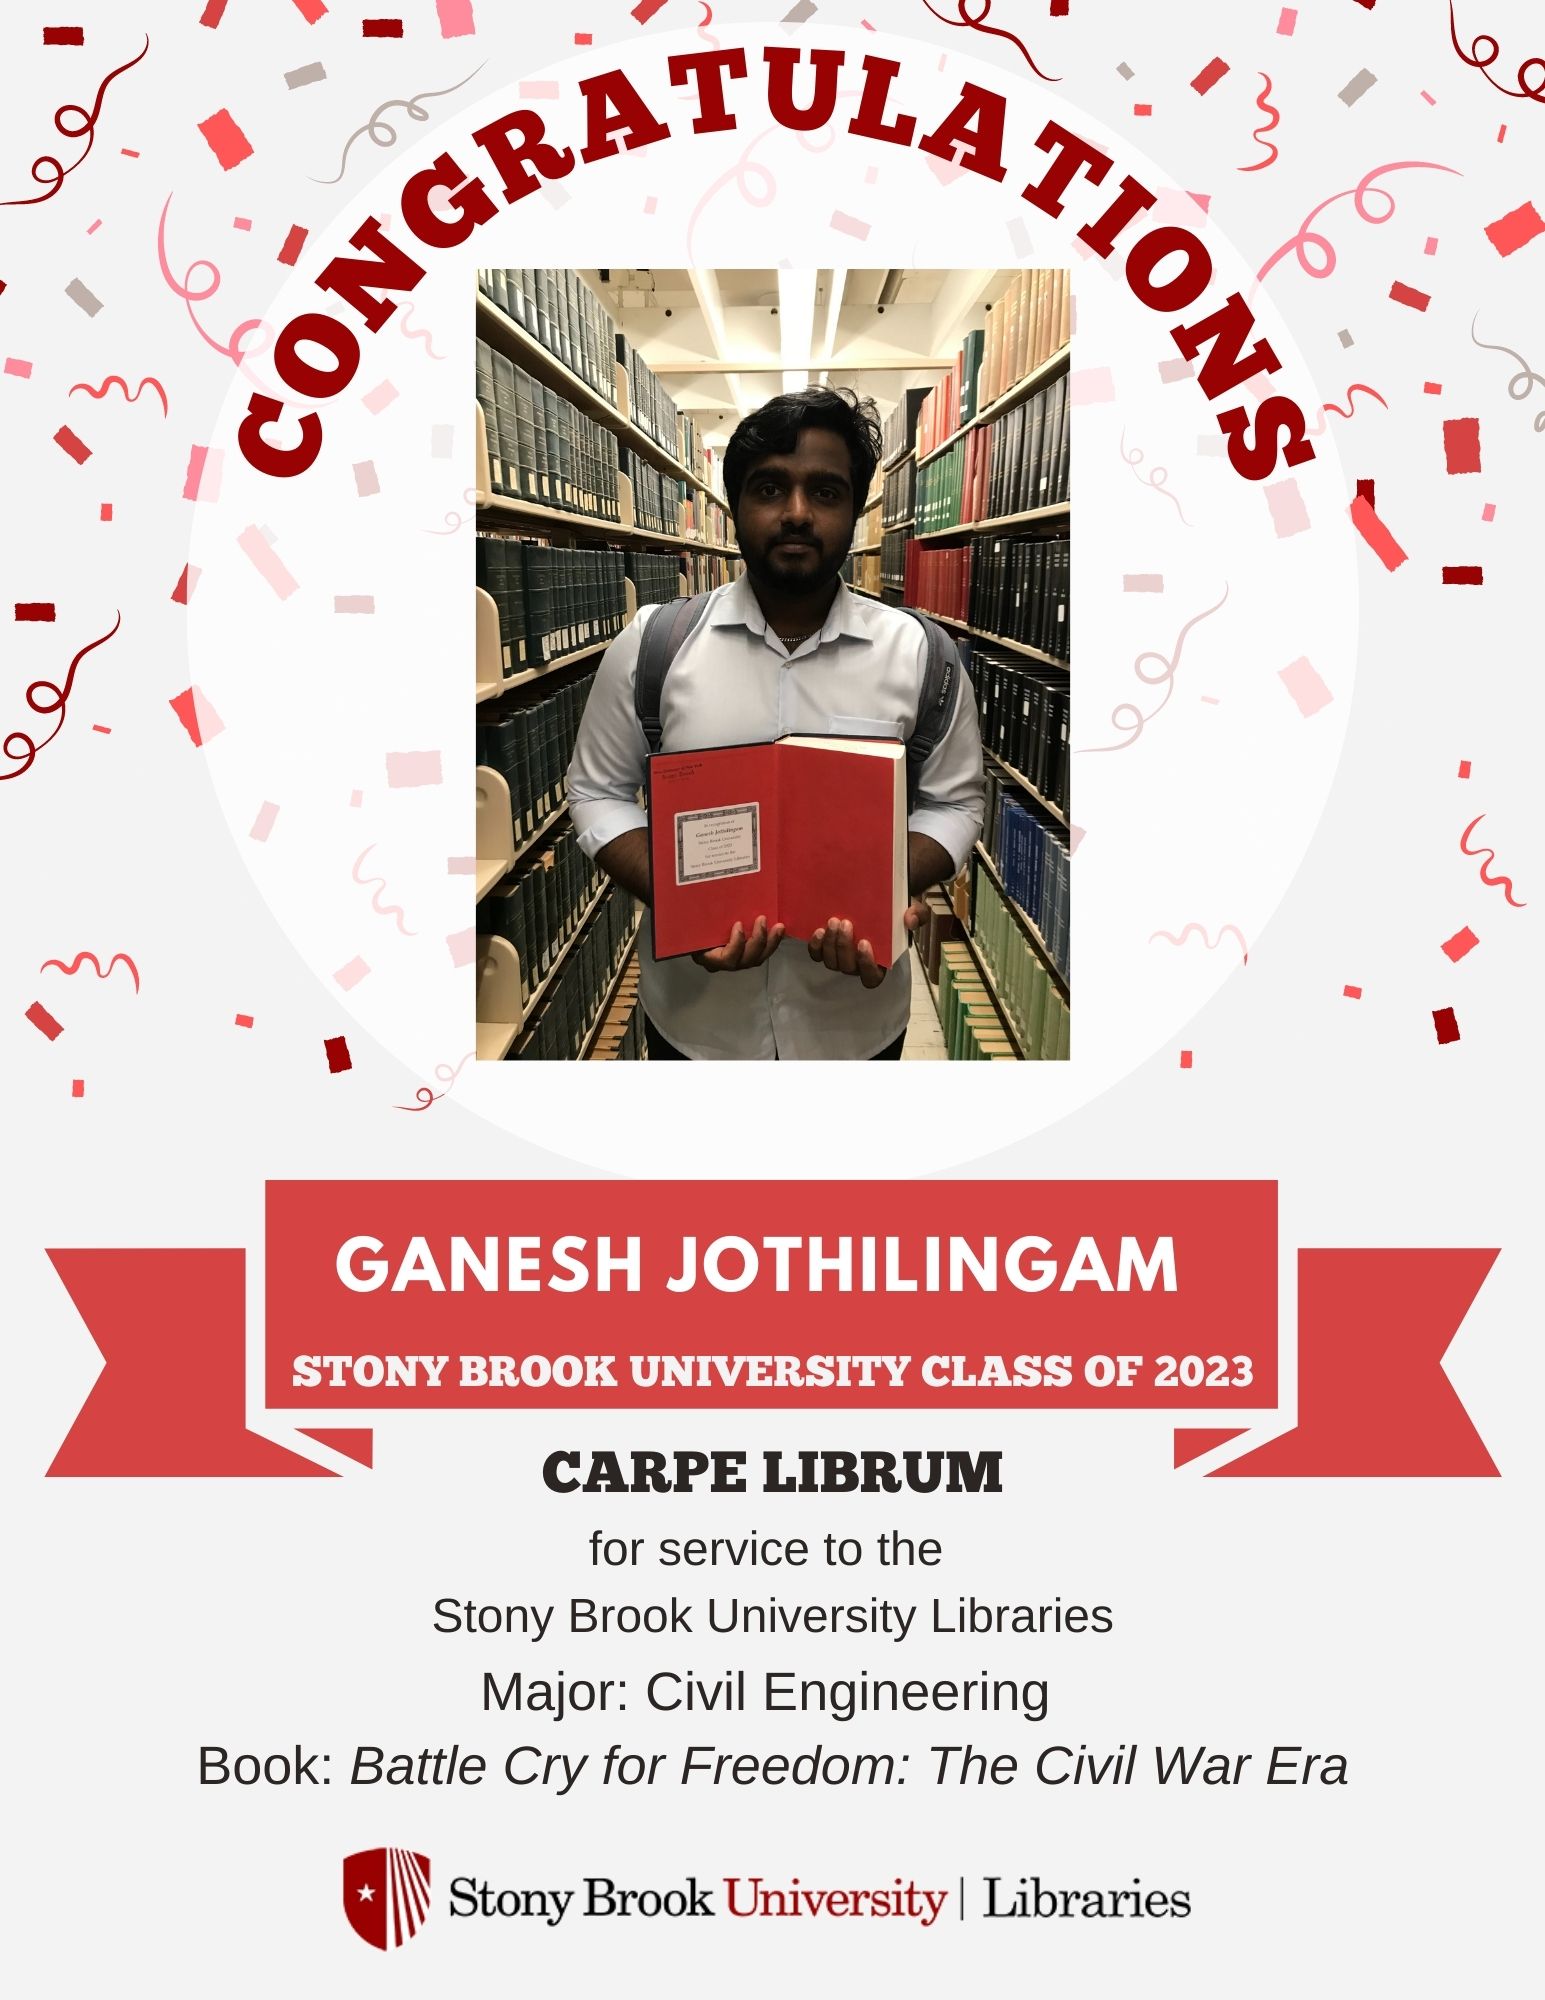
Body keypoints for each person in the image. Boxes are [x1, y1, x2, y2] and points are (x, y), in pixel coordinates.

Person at [566, 384, 984, 1060]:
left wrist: (884, 886)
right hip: (696, 1025)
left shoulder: (922, 655)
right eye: (769, 489)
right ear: (734, 506)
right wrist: (681, 901)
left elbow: (955, 801)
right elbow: (595, 792)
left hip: (855, 1026)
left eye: (824, 492)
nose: (795, 513)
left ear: (855, 510)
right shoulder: (653, 646)